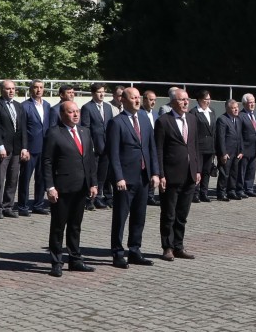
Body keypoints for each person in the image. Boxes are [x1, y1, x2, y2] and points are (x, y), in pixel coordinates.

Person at [40, 98, 99, 276]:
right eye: (71, 112)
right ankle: (56, 262)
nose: (75, 115)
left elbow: (90, 160)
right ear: (62, 114)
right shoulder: (54, 133)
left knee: (75, 225)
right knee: (58, 226)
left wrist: (93, 183)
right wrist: (50, 187)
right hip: (62, 188)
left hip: (81, 187)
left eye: (77, 111)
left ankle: (75, 259)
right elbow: (47, 162)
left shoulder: (84, 131)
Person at [106, 86, 160, 268]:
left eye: (138, 97)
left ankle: (135, 250)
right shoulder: (116, 123)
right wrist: (118, 177)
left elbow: (151, 148)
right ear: (123, 100)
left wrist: (155, 172)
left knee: (139, 216)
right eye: (133, 98)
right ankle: (117, 253)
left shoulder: (144, 118)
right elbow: (113, 153)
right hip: (125, 179)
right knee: (121, 217)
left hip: (143, 177)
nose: (137, 101)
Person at [155, 88, 201, 260]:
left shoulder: (192, 119)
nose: (186, 102)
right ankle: (167, 247)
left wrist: (197, 169)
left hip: (190, 174)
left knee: (182, 214)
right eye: (182, 100)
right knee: (169, 213)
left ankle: (178, 246)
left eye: (187, 99)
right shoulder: (163, 121)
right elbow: (159, 150)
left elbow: (195, 146)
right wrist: (160, 174)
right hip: (171, 175)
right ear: (173, 102)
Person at [16, 80, 51, 216]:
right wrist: (24, 148)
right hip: (30, 148)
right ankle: (23, 206)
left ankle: (38, 204)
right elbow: (22, 129)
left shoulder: (47, 105)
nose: (38, 90)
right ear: (31, 89)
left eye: (41, 87)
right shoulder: (24, 106)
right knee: (25, 178)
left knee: (41, 178)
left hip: (44, 148)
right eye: (36, 87)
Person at [0, 79, 22, 218]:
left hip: (16, 148)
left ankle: (8, 206)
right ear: (2, 90)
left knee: (13, 179)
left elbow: (22, 128)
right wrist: (0, 146)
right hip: (3, 148)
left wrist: (24, 147)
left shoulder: (18, 106)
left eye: (13, 88)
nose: (11, 91)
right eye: (8, 89)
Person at [82, 84, 116, 209]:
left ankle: (98, 197)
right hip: (94, 146)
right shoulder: (87, 107)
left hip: (106, 146)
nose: (102, 94)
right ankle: (89, 199)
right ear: (93, 93)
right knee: (93, 173)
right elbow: (86, 128)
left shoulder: (107, 107)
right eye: (99, 92)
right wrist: (89, 145)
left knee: (103, 174)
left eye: (103, 92)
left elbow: (111, 125)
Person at [214, 96, 244, 201]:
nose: (236, 109)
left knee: (234, 173)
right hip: (226, 153)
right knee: (224, 174)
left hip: (236, 152)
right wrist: (223, 153)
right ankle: (221, 193)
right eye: (233, 108)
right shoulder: (222, 119)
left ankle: (231, 191)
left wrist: (241, 151)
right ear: (227, 109)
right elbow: (221, 138)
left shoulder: (238, 119)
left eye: (237, 107)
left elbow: (240, 136)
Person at [237, 95, 256, 199]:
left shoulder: (255, 115)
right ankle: (240, 189)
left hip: (254, 147)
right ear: (244, 104)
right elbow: (239, 134)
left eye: (253, 102)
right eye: (250, 102)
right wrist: (241, 148)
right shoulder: (241, 116)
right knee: (242, 170)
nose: (252, 104)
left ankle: (249, 188)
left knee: (251, 169)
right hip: (245, 148)